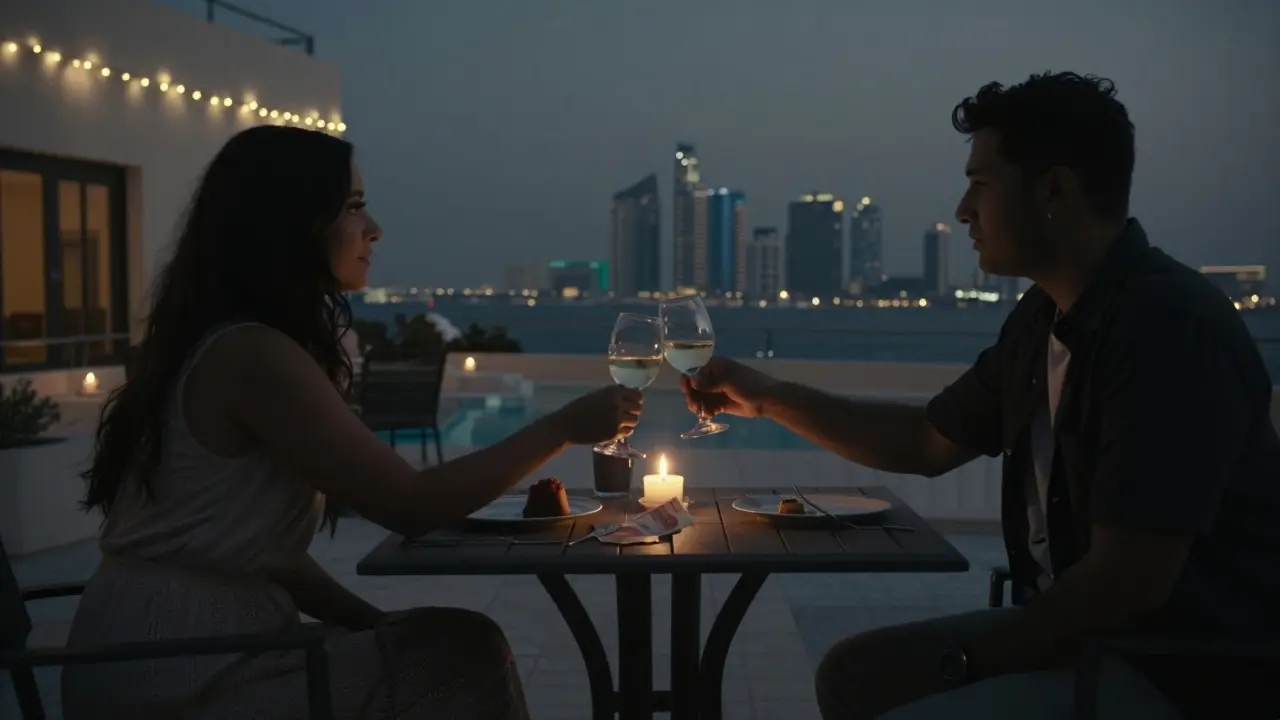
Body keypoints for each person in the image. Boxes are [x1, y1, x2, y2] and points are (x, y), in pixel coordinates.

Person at [682, 72, 1280, 719]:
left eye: (981, 184)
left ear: (1054, 189)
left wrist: (976, 660)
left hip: (1175, 672)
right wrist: (767, 397)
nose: (963, 209)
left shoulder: (1166, 330)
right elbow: (925, 440)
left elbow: (1127, 583)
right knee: (855, 674)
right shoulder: (1041, 321)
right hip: (1080, 641)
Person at [63, 125, 643, 719]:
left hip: (165, 651)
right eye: (355, 207)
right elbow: (410, 505)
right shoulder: (253, 356)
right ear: (294, 223)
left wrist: (374, 623)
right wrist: (563, 427)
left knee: (443, 642)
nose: (375, 229)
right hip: (182, 673)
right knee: (466, 653)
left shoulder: (224, 344)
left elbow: (268, 556)